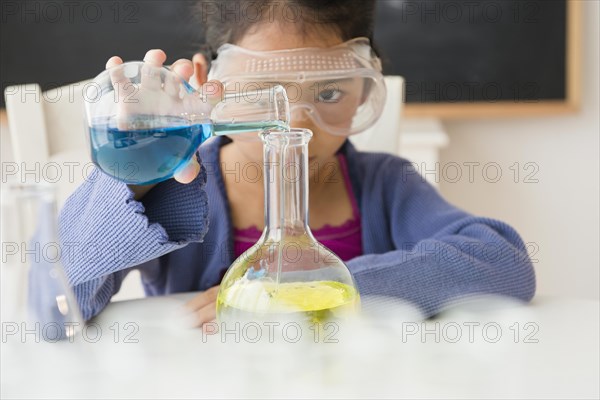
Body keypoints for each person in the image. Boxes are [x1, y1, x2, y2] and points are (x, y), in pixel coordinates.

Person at [59, 0, 535, 327]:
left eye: (329, 93)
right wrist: (132, 179)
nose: (297, 122)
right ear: (206, 82)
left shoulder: (386, 185)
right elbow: (56, 308)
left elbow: (504, 263)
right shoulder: (171, 191)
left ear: (365, 89)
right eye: (268, 96)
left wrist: (319, 291)